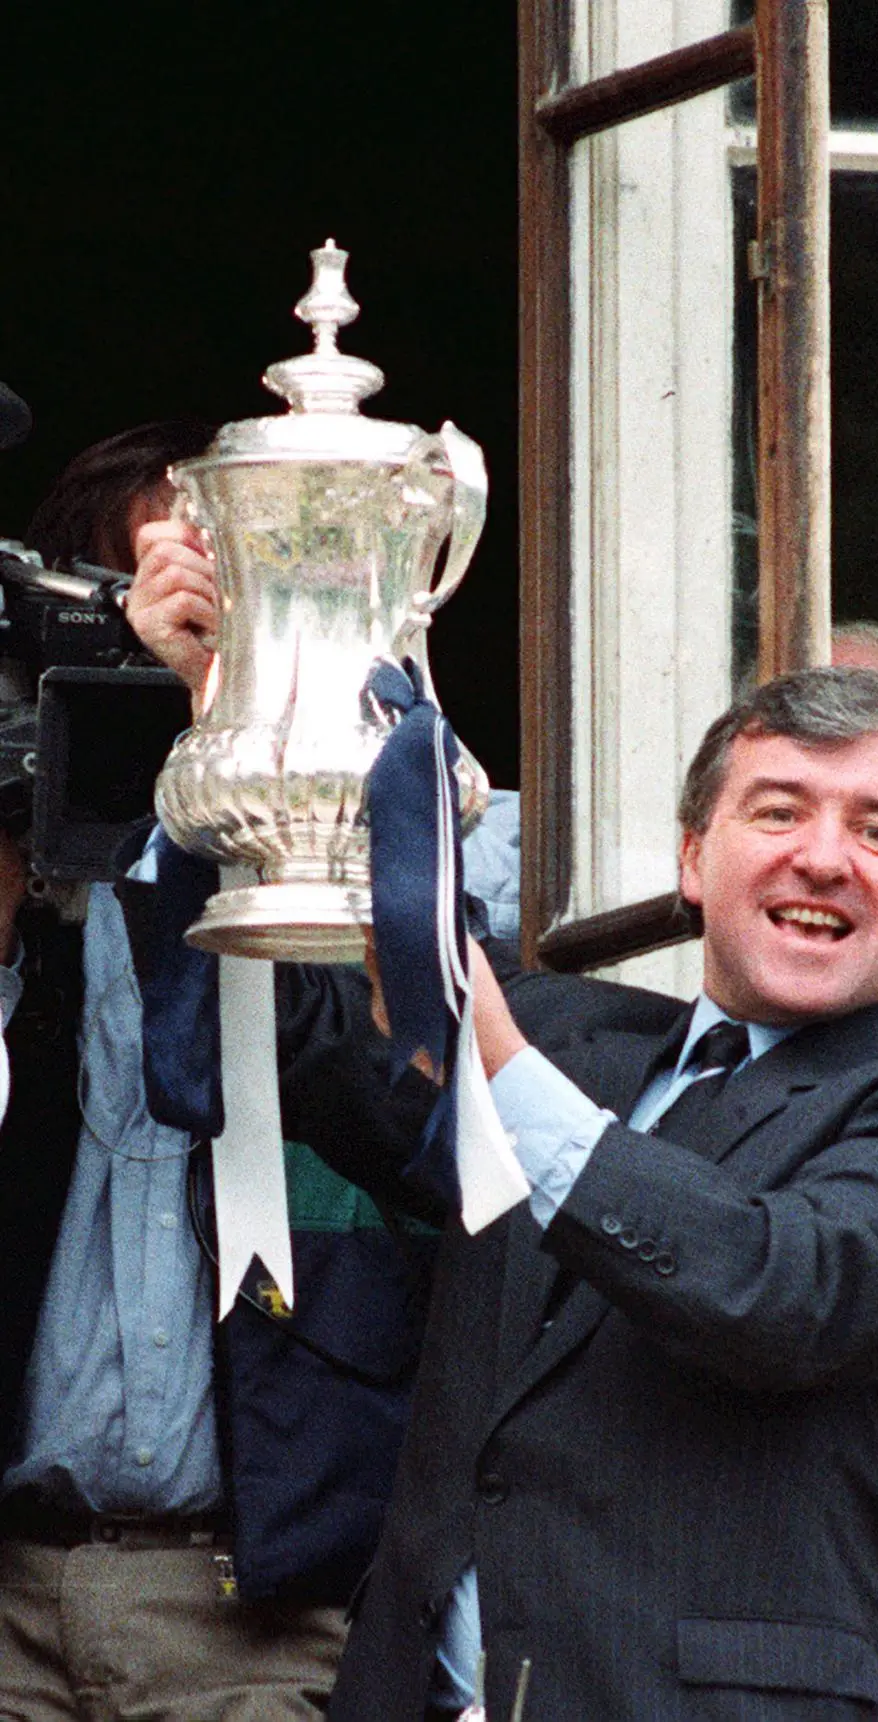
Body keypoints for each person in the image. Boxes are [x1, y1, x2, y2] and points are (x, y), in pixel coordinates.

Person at [331, 664, 878, 1721]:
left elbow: (783, 1289)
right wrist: (226, 712)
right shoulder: (571, 1039)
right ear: (692, 858)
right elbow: (300, 1023)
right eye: (777, 812)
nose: (821, 858)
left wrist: (490, 1059)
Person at [0, 423, 487, 1719]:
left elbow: (406, 1120)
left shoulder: (378, 842)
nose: (179, 651)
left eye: (228, 603)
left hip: (250, 1602)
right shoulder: (33, 882)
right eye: (141, 619)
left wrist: (235, 740)